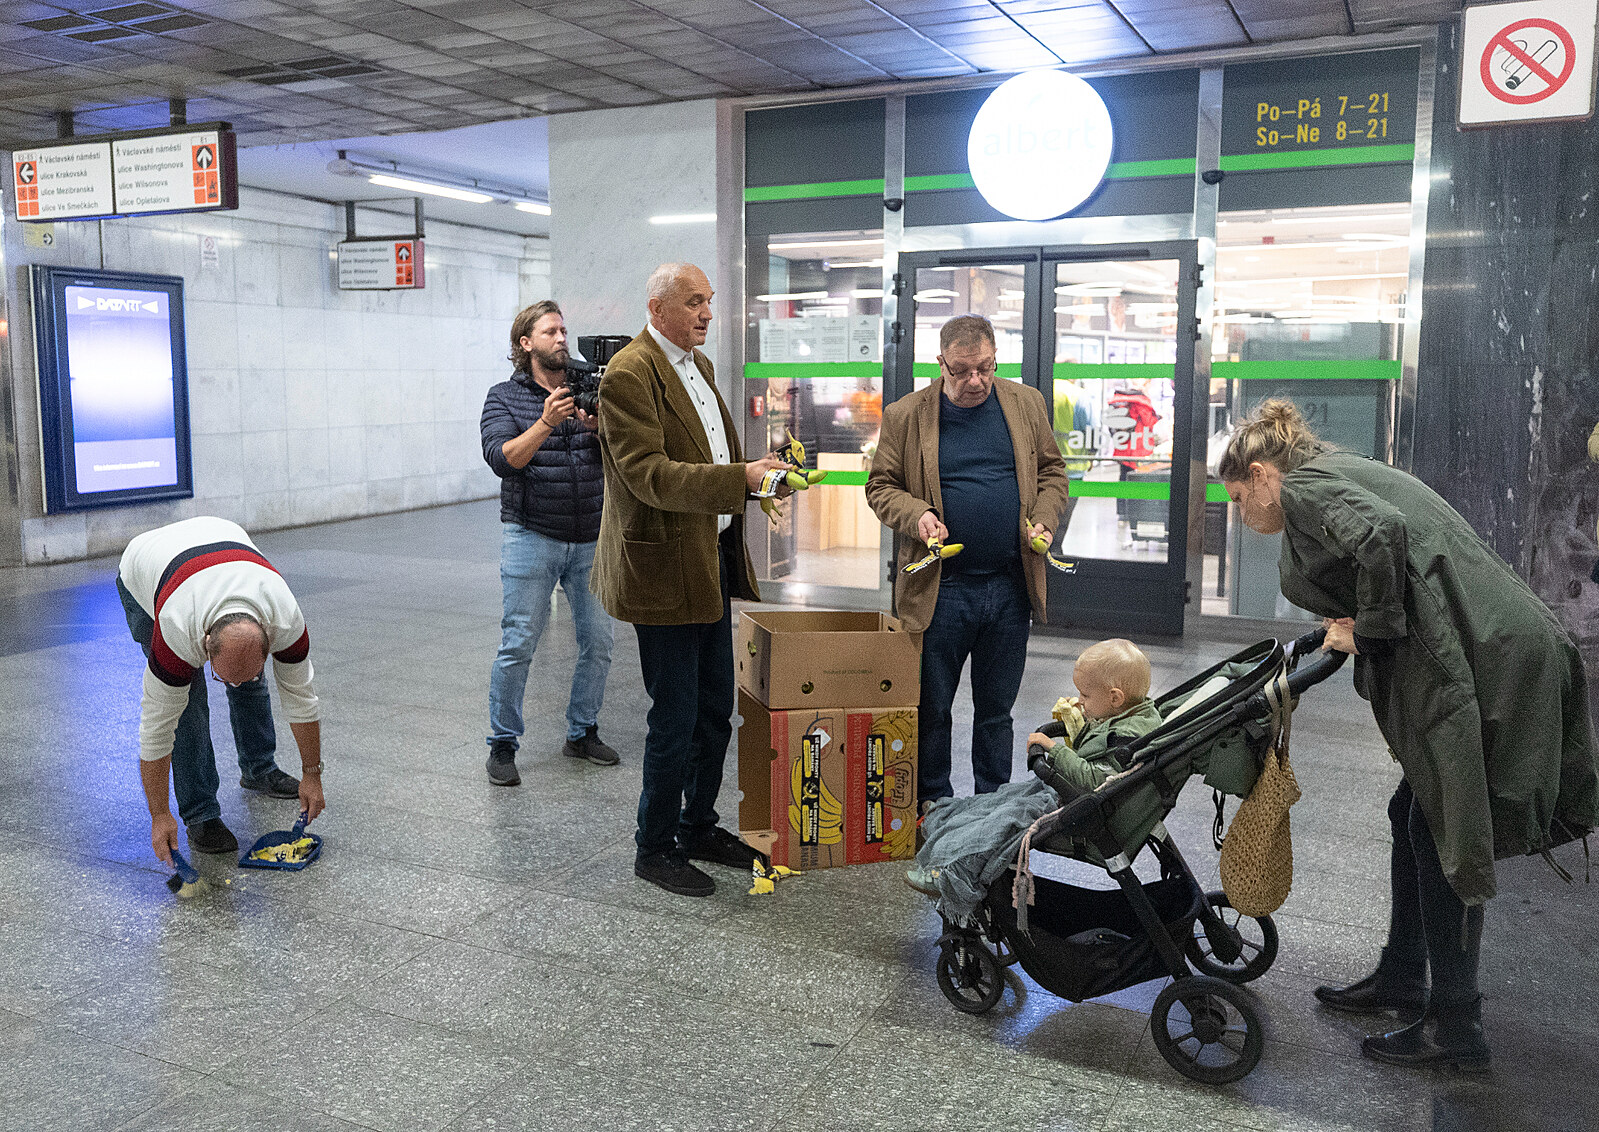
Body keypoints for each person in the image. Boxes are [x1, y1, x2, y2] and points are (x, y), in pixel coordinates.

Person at [1219, 399, 1598, 1072]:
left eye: (1238, 498)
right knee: (1411, 810)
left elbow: (1381, 534)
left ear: (1260, 474)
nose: (1241, 514)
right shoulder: (1333, 470)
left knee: (1441, 826)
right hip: (1498, 642)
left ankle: (1456, 1028)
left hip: (1491, 656)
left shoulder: (1303, 486)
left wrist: (1369, 631)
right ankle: (1401, 976)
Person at [589, 262, 793, 897]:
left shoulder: (696, 365)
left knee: (714, 710)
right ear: (657, 309)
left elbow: (710, 458)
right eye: (694, 302)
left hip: (709, 562)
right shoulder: (630, 373)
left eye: (709, 300)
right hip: (663, 573)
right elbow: (649, 475)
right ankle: (653, 847)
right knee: (675, 716)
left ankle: (697, 825)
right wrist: (740, 479)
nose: (708, 313)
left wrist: (758, 477)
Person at [866, 314, 1070, 806]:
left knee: (996, 712)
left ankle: (990, 807)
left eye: (985, 367)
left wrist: (1044, 520)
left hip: (1009, 585)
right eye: (961, 371)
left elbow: (1052, 472)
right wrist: (918, 516)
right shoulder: (906, 414)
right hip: (941, 589)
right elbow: (880, 487)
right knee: (932, 708)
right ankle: (933, 806)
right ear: (941, 364)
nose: (975, 380)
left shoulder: (1025, 403)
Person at [905, 639, 1162, 923]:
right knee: (999, 799)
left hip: (1076, 807)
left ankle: (954, 874)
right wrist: (1082, 724)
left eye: (1085, 695)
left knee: (1006, 819)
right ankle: (946, 819)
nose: (1080, 700)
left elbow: (1094, 779)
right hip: (1069, 794)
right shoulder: (1132, 715)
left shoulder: (1126, 736)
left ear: (1115, 698)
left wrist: (1055, 749)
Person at [116, 516, 327, 862]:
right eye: (224, 676)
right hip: (144, 568)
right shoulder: (176, 630)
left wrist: (312, 775)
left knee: (249, 681)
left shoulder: (286, 619)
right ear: (204, 644)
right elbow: (157, 729)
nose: (234, 684)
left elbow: (302, 701)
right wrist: (159, 815)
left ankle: (259, 769)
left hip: (215, 544)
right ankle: (201, 813)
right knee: (186, 703)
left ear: (269, 640)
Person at [479, 299, 618, 786]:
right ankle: (502, 743)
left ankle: (582, 731)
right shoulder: (503, 397)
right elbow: (503, 459)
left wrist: (601, 431)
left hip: (591, 537)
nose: (561, 338)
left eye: (563, 330)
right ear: (526, 343)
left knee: (599, 641)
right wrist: (545, 423)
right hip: (532, 534)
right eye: (550, 331)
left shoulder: (589, 388)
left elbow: (627, 453)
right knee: (518, 643)